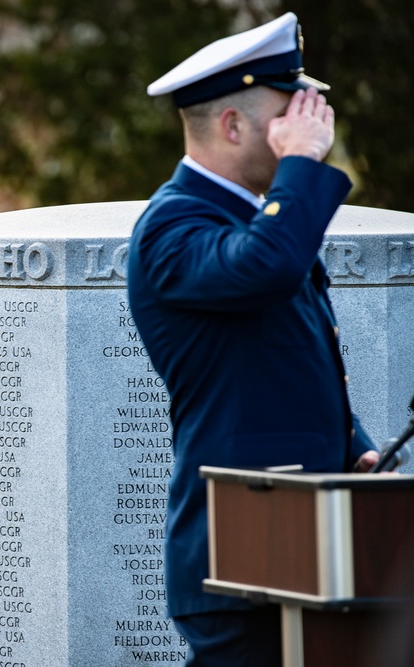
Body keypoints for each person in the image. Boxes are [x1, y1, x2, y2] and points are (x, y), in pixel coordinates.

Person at [127, 13, 379, 666]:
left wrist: (352, 448)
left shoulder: (260, 223)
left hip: (297, 539)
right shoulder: (172, 226)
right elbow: (264, 268)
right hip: (238, 552)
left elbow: (280, 362)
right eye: (290, 110)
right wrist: (300, 165)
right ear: (232, 125)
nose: (312, 124)